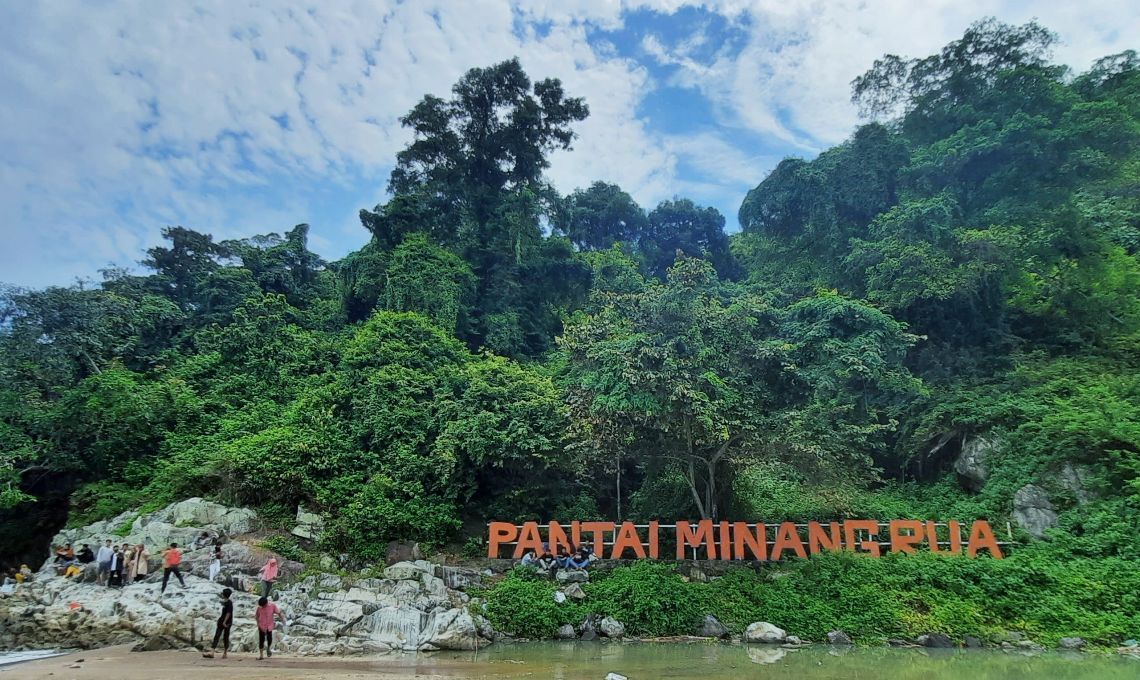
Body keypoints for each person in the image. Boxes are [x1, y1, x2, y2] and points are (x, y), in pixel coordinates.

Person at [202, 588, 234, 659]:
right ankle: (212, 652)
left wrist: (224, 622)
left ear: (224, 594)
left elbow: (228, 613)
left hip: (227, 622)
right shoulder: (224, 602)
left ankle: (225, 653)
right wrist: (220, 620)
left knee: (226, 637)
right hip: (222, 621)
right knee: (217, 636)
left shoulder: (229, 603)